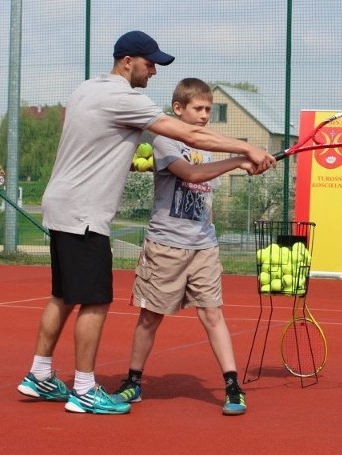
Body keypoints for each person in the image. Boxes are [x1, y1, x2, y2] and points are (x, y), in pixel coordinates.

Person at [16, 31, 275, 415]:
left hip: (63, 205)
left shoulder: (88, 88)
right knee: (95, 300)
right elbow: (188, 134)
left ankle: (39, 374)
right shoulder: (123, 97)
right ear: (127, 62)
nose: (153, 70)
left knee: (65, 295)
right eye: (149, 63)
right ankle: (85, 389)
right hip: (85, 213)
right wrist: (246, 148)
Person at [112, 78, 251, 415]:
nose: (204, 115)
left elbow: (207, 193)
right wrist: (239, 158)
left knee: (213, 314)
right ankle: (133, 381)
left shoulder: (210, 147)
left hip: (204, 246)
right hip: (165, 246)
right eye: (198, 109)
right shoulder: (164, 141)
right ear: (178, 109)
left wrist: (246, 163)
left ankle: (233, 386)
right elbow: (191, 174)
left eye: (208, 109)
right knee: (150, 317)